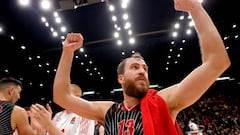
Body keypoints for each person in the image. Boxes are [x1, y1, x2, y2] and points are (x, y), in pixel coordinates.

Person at [50, 0, 230, 134]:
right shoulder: (108, 111)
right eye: (135, 67)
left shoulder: (164, 101)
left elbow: (216, 62)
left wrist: (195, 8)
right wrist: (67, 52)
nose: (142, 71)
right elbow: (61, 96)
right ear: (121, 78)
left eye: (145, 68)